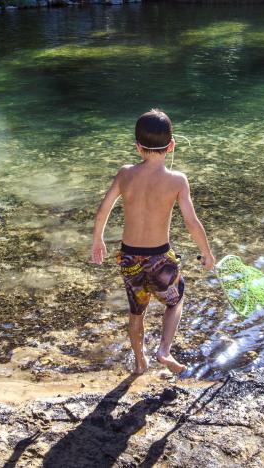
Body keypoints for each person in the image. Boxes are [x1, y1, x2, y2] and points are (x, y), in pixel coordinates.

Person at [91, 109, 216, 375]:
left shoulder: (125, 174)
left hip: (129, 257)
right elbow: (192, 222)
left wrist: (98, 240)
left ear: (138, 147)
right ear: (171, 146)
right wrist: (206, 252)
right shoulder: (177, 180)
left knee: (137, 311)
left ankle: (139, 362)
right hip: (160, 257)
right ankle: (164, 350)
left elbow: (103, 209)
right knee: (175, 300)